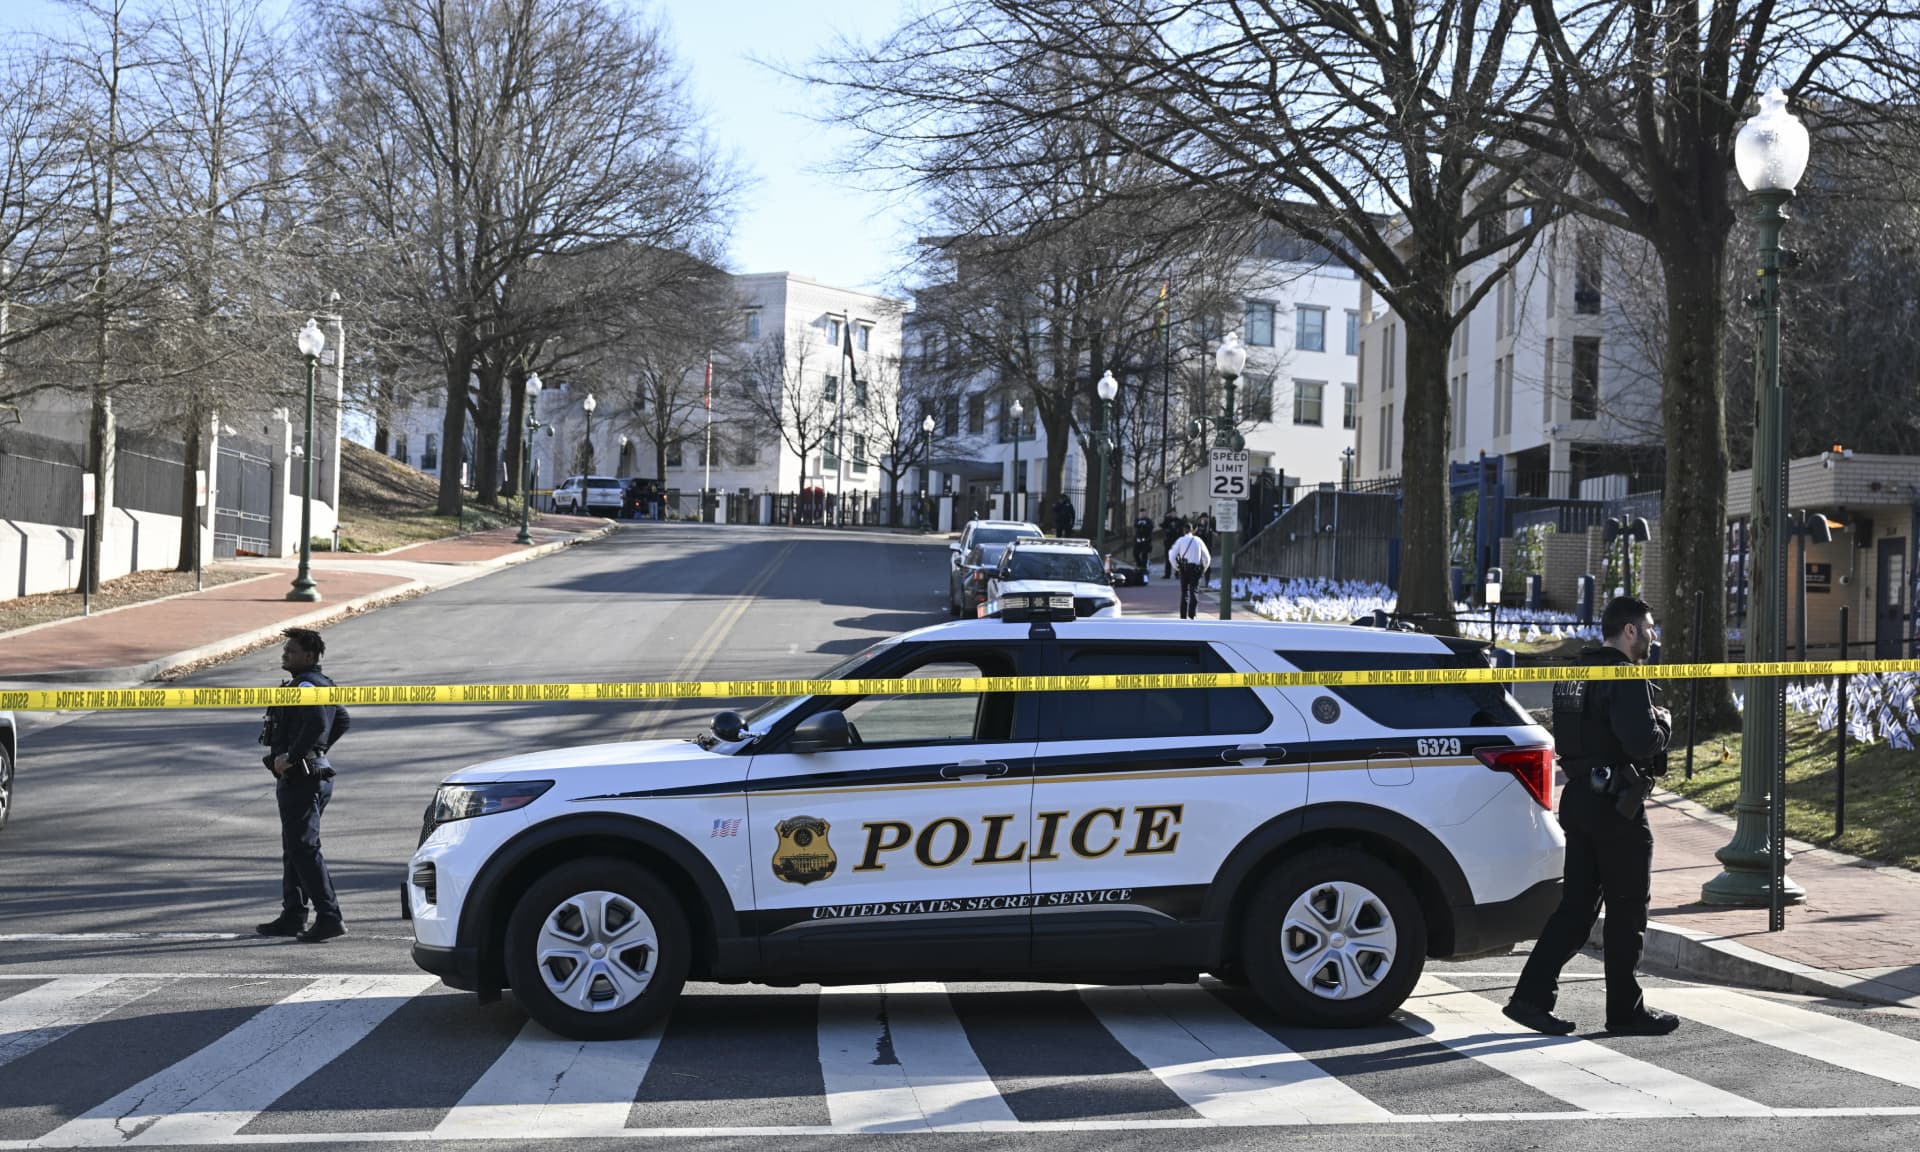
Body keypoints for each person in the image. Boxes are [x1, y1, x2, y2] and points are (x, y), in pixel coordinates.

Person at [1506, 595, 1675, 1036]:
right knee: (1627, 910)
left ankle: (1529, 997)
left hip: (1579, 798)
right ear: (1631, 630)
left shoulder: (1576, 673)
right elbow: (1642, 741)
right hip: (1616, 808)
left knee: (1576, 908)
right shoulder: (1624, 676)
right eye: (1650, 628)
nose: (1654, 637)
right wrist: (1665, 724)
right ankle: (1625, 1011)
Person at [257, 627, 347, 943]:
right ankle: (293, 914)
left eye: (291, 651)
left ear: (308, 656)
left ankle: (329, 917)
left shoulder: (307, 685)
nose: (285, 655)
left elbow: (318, 723)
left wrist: (295, 757)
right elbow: (342, 720)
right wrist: (318, 752)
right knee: (295, 847)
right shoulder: (322, 684)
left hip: (302, 778)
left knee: (304, 849)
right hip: (310, 774)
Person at [1169, 523, 1212, 620]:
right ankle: (1192, 614)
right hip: (1196, 569)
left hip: (1184, 569)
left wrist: (1176, 567)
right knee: (1194, 591)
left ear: (1184, 531)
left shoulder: (1180, 540)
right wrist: (1204, 568)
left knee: (1184, 592)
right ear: (1192, 530)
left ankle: (1183, 616)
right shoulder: (1198, 540)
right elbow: (1207, 557)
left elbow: (1171, 555)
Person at [1160, 512, 1184, 579]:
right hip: (1168, 542)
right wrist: (1166, 517)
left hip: (1176, 542)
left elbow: (1182, 529)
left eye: (1174, 513)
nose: (1173, 515)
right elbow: (1163, 525)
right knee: (1168, 558)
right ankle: (1167, 574)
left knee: (1177, 558)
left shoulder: (1179, 521)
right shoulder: (1168, 521)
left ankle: (1178, 573)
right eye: (1172, 513)